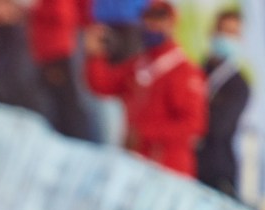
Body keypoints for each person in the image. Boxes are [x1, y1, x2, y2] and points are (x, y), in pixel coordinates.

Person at [84, 0, 207, 177]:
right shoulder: (139, 64)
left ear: (172, 23)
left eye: (159, 19)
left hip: (169, 169)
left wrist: (145, 133)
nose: (152, 25)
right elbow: (102, 85)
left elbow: (193, 125)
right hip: (136, 164)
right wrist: (95, 55)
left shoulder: (183, 70)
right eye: (148, 19)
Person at [197, 9, 250, 198]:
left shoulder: (239, 84)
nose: (227, 38)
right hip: (191, 165)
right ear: (213, 33)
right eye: (224, 31)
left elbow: (219, 126)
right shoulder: (198, 71)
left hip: (217, 170)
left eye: (233, 33)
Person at [26, 0, 94, 140]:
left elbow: (63, 15)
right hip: (49, 52)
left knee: (67, 107)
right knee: (57, 105)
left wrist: (36, 9)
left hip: (58, 51)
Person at [0, 0, 45, 114]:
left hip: (27, 109)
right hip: (6, 104)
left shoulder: (25, 33)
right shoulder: (1, 31)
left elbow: (18, 77)